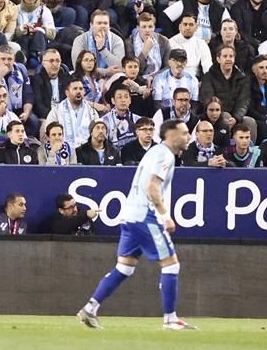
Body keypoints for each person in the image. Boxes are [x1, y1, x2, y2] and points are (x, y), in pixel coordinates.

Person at [75, 118, 195, 331]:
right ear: (171, 135)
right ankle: (170, 318)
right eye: (184, 133)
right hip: (146, 216)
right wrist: (165, 215)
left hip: (130, 215)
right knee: (171, 265)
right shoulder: (164, 154)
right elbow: (152, 187)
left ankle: (90, 308)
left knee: (124, 267)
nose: (188, 137)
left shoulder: (155, 152)